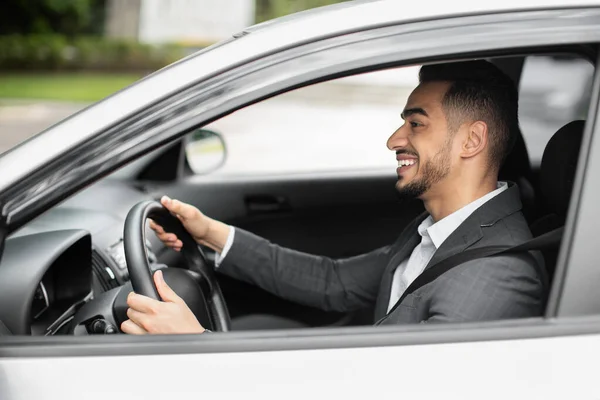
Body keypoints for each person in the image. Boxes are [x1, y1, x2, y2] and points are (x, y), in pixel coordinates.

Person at [120, 60, 546, 335]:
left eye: (416, 124)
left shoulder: (496, 274)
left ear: (472, 140)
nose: (393, 140)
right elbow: (333, 283)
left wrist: (195, 348)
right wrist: (212, 234)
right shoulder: (440, 230)